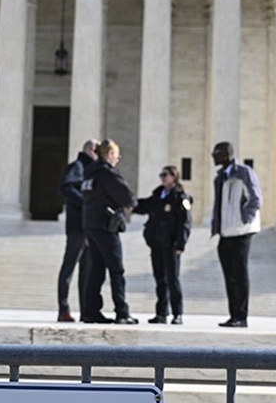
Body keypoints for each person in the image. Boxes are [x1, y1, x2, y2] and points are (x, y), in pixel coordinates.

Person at [81, 139, 138, 324]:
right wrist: (131, 203)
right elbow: (127, 196)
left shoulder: (89, 173)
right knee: (116, 270)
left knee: (96, 270)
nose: (118, 159)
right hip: (106, 226)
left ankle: (90, 312)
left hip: (91, 226)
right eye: (116, 155)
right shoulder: (107, 173)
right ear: (110, 155)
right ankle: (122, 312)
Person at [210, 141, 261, 328]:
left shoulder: (243, 172)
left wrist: (243, 219)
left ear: (225, 154)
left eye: (215, 153)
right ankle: (234, 315)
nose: (212, 156)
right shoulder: (220, 177)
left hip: (240, 232)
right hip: (225, 232)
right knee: (229, 276)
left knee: (240, 274)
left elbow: (256, 198)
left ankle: (242, 316)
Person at [133, 165, 192, 325]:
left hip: (171, 246)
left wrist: (180, 244)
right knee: (160, 280)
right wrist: (128, 203)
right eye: (161, 175)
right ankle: (161, 313)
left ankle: (177, 313)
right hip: (157, 245)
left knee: (173, 280)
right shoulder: (158, 195)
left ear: (174, 177)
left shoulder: (181, 198)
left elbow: (185, 222)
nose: (163, 177)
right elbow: (144, 206)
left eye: (165, 175)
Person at [55, 139, 98, 322]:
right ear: (91, 150)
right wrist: (87, 202)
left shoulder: (91, 169)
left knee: (87, 271)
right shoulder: (78, 166)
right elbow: (65, 188)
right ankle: (63, 309)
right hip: (77, 227)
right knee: (70, 267)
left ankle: (86, 310)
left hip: (89, 226)